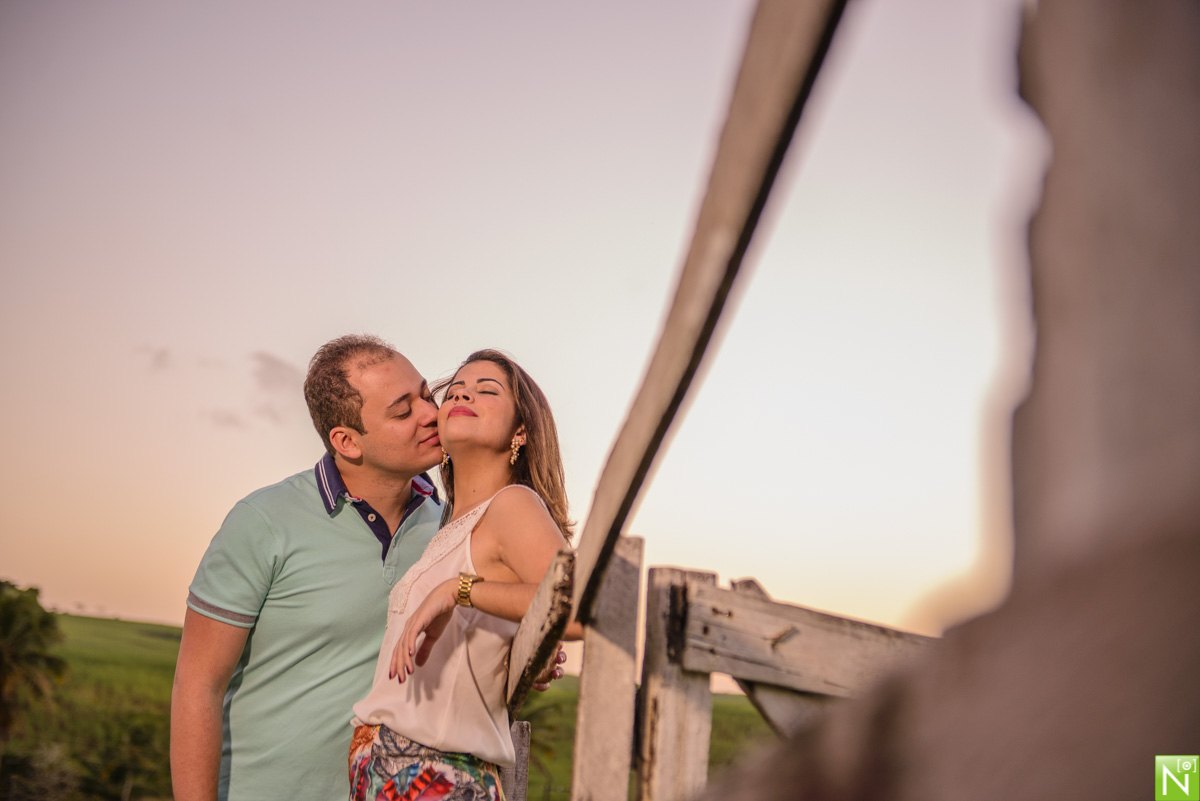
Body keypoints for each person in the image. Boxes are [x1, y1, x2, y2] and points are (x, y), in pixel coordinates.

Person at [170, 335, 564, 801]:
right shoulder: (264, 521)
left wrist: (525, 647)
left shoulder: (451, 527)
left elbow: (503, 612)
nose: (430, 413)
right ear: (347, 442)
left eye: (426, 395)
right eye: (402, 411)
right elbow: (198, 684)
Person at [348, 349, 582, 800]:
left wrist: (458, 590)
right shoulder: (450, 527)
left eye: (486, 391)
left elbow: (577, 608)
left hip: (436, 776)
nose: (461, 395)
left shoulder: (512, 504)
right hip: (389, 775)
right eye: (454, 390)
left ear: (520, 431)